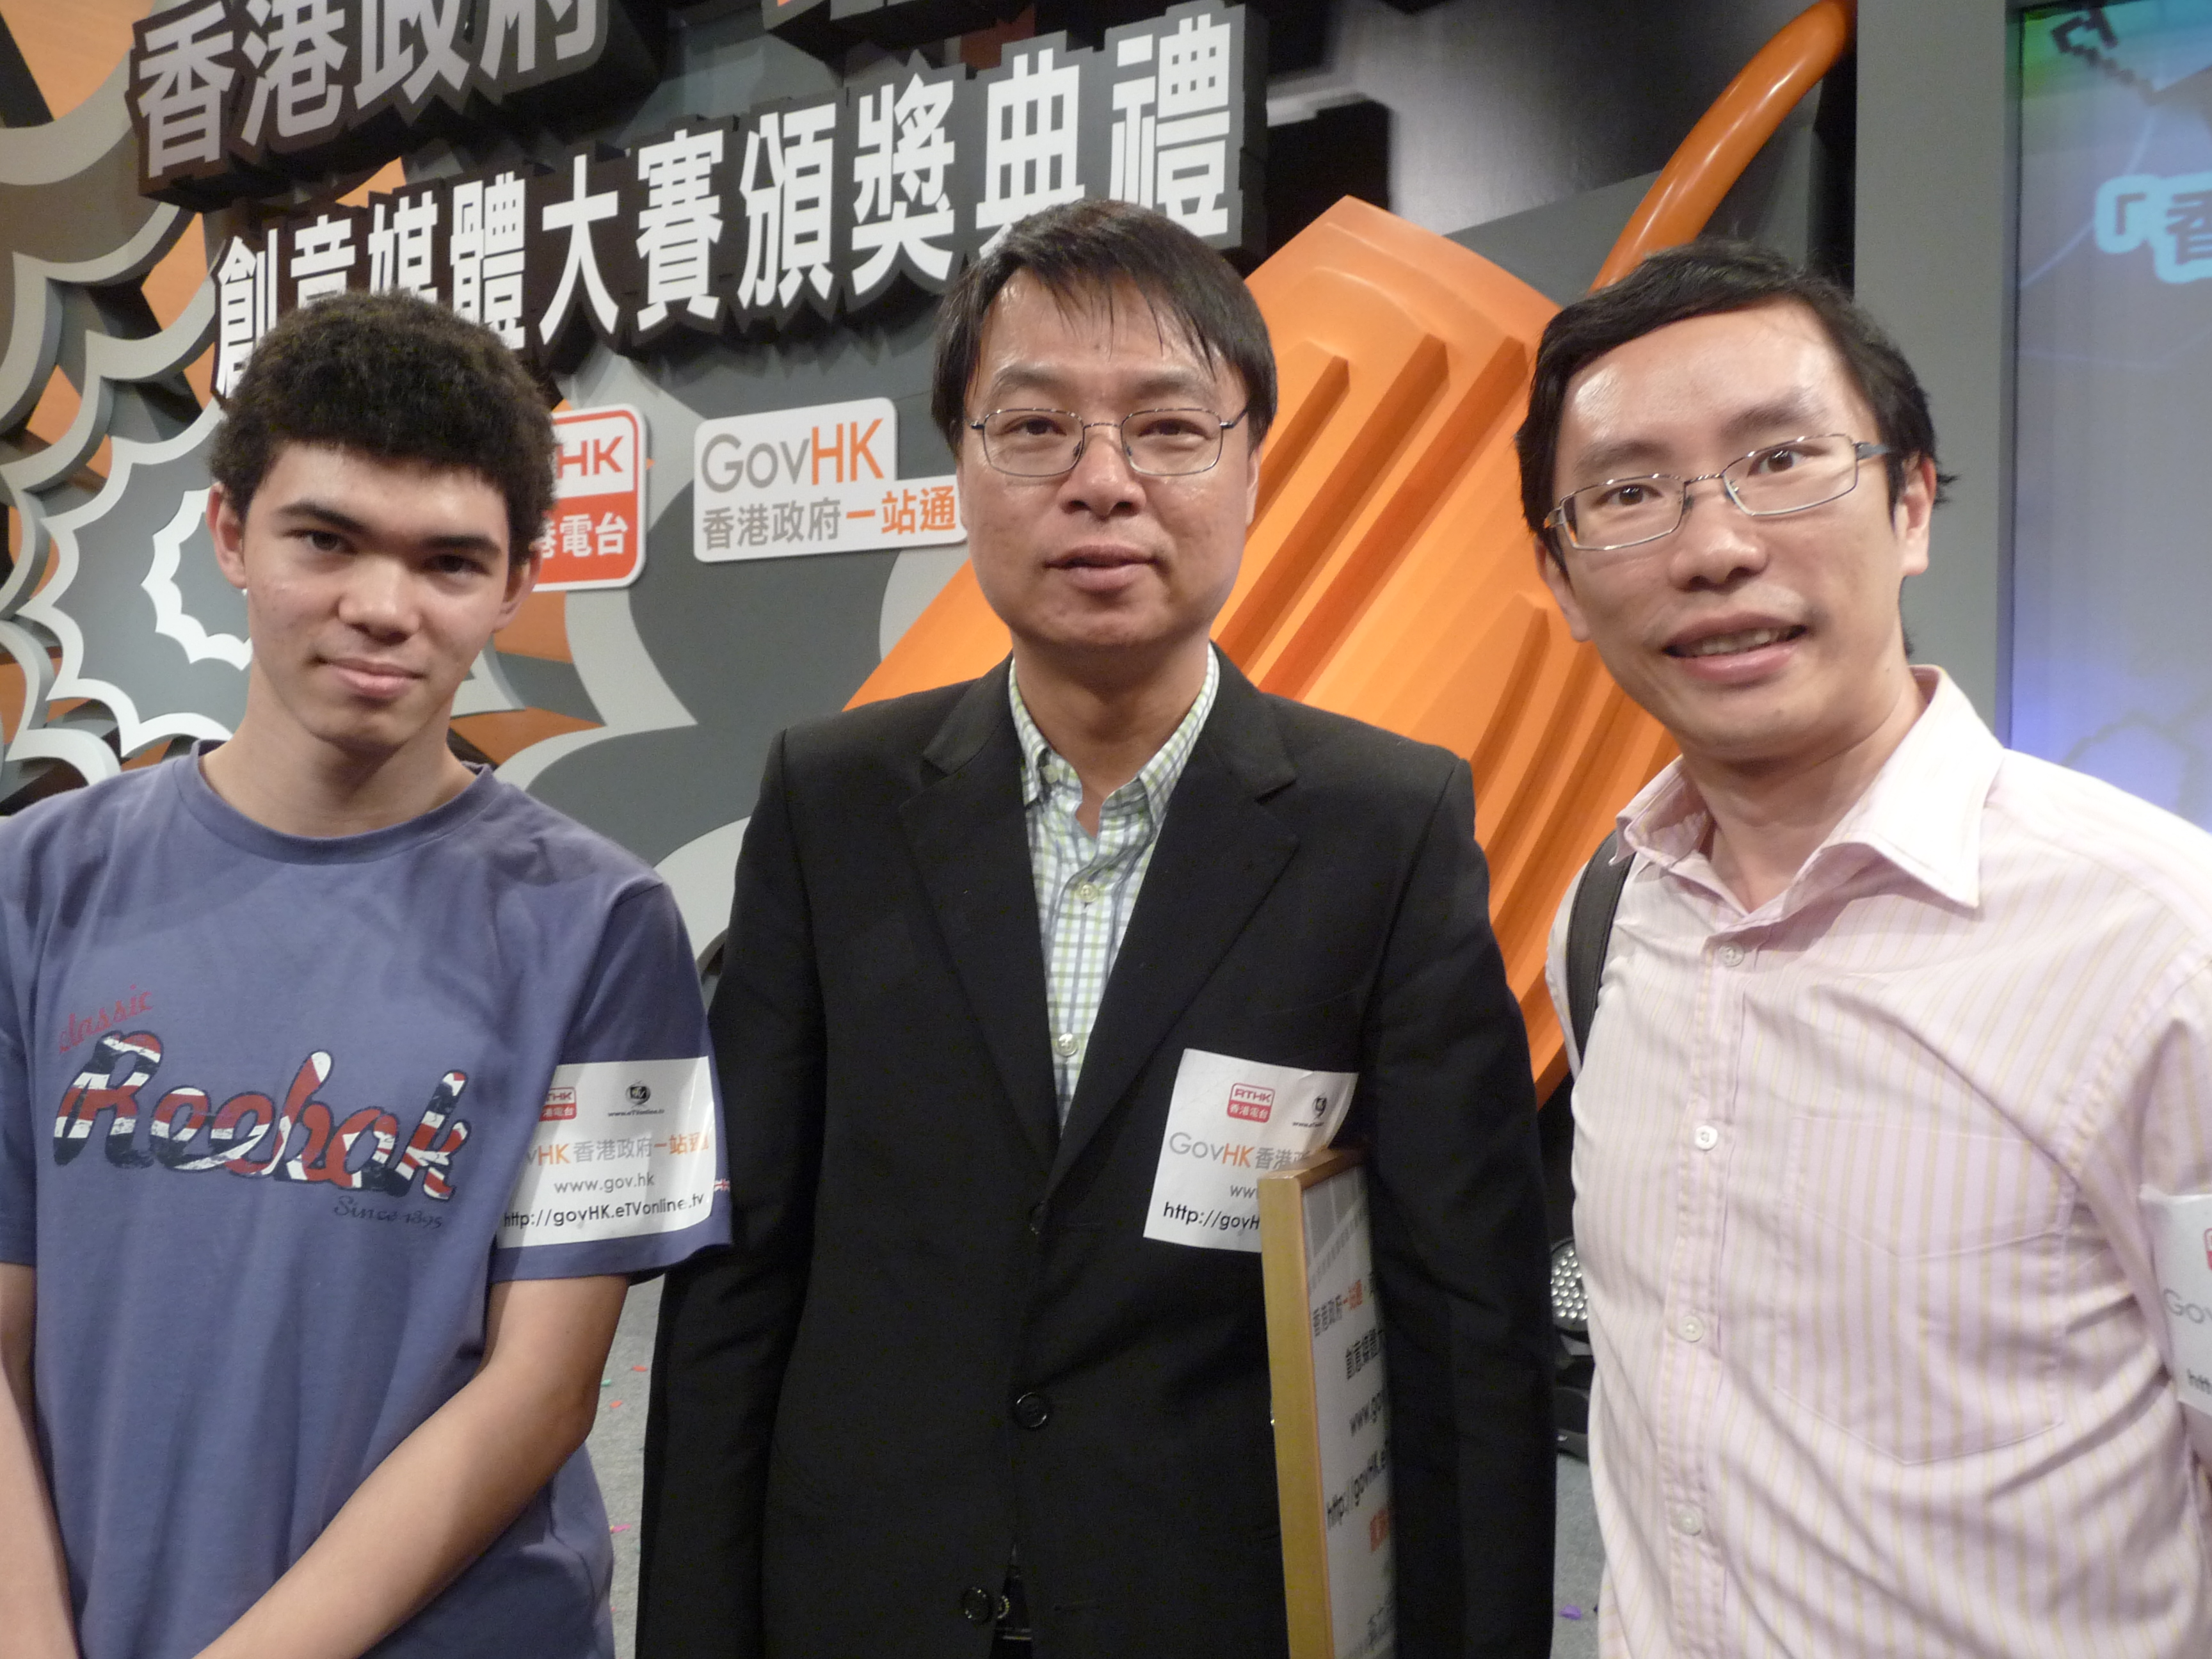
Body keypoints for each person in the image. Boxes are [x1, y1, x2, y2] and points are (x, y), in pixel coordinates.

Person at [639, 199, 1555, 1659]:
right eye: (1036, 428)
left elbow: (1466, 1325)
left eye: (1170, 429)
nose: (1104, 483)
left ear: (1252, 466)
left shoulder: (1387, 827)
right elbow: (740, 1280)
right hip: (866, 1600)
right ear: (963, 461)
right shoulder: (833, 799)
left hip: (1213, 1612)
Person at [0, 291, 726, 1659]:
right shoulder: (32, 886)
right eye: (326, 540)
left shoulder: (607, 927)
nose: (382, 608)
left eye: (448, 561)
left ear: (516, 581)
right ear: (230, 534)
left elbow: (541, 1391)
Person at [1524, 239, 2212, 1657]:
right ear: (1563, 577)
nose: (1714, 548)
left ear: (1910, 504)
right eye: (1630, 493)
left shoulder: (2161, 948)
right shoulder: (1605, 916)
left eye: (1781, 461)